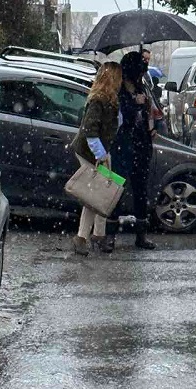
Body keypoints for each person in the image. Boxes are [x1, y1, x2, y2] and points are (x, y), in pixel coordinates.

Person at [70, 61, 123, 255]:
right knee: (95, 196)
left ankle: (96, 235)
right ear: (112, 78)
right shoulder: (98, 100)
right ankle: (83, 237)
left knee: (101, 194)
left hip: (99, 150)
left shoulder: (110, 99)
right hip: (89, 151)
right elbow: (90, 130)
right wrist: (100, 155)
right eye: (119, 76)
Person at [106, 51, 157, 251]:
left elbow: (148, 114)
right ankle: (110, 236)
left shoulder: (142, 87)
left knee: (140, 191)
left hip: (141, 145)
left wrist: (150, 122)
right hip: (122, 145)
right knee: (116, 189)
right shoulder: (118, 90)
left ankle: (141, 235)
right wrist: (133, 104)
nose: (140, 76)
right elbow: (118, 117)